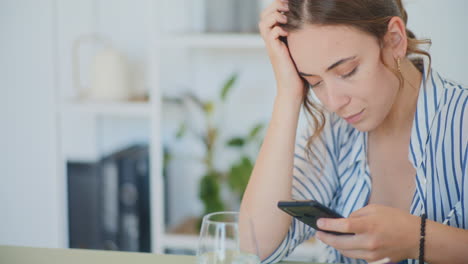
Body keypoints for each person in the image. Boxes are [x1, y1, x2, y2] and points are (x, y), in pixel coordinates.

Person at [239, 0, 468, 263]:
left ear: (394, 39)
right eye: (315, 82)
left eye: (347, 72)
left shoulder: (462, 123)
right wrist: (288, 94)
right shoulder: (332, 133)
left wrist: (418, 239)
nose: (334, 103)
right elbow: (255, 248)